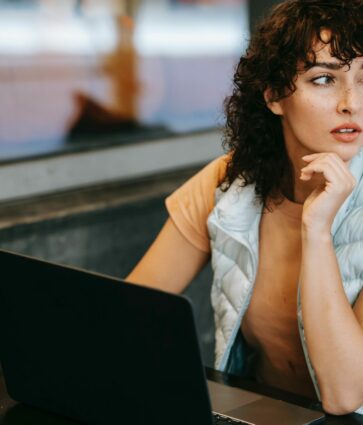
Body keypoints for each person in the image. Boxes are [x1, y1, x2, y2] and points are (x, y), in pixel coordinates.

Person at [126, 0, 363, 415]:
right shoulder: (231, 180)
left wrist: (318, 229)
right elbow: (123, 313)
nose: (352, 103)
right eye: (324, 79)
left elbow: (346, 395)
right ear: (274, 95)